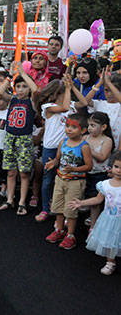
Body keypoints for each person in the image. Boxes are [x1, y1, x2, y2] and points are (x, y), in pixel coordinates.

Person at [38, 76, 85, 222]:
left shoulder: (70, 104)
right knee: (48, 179)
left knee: (66, 179)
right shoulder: (47, 107)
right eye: (63, 92)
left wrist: (72, 87)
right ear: (56, 94)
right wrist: (68, 88)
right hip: (51, 147)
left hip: (68, 148)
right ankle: (46, 208)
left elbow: (83, 102)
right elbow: (64, 108)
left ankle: (63, 210)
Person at [0, 62, 38, 215]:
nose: (20, 90)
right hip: (10, 137)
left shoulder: (31, 101)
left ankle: (21, 202)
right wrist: (10, 75)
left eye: (23, 86)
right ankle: (9, 199)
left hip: (25, 139)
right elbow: (0, 91)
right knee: (11, 171)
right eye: (18, 86)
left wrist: (24, 74)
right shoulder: (13, 99)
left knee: (24, 172)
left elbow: (35, 89)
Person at [45, 113, 92, 250]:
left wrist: (74, 168)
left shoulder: (84, 146)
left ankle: (70, 235)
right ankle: (59, 230)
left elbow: (89, 166)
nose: (69, 129)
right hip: (60, 179)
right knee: (58, 207)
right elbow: (58, 158)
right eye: (67, 126)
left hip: (75, 182)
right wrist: (53, 163)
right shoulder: (62, 142)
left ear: (83, 130)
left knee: (71, 209)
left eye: (73, 127)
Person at [70, 150, 121, 275]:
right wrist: (81, 203)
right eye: (116, 167)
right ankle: (110, 262)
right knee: (110, 240)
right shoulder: (105, 185)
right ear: (111, 166)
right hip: (109, 219)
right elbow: (98, 199)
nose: (119, 170)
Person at [83, 112, 114, 229]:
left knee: (96, 199)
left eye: (93, 125)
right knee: (86, 193)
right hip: (86, 171)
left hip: (100, 174)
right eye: (89, 125)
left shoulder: (107, 140)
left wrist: (89, 149)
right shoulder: (86, 137)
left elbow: (102, 157)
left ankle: (93, 223)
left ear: (103, 127)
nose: (89, 128)